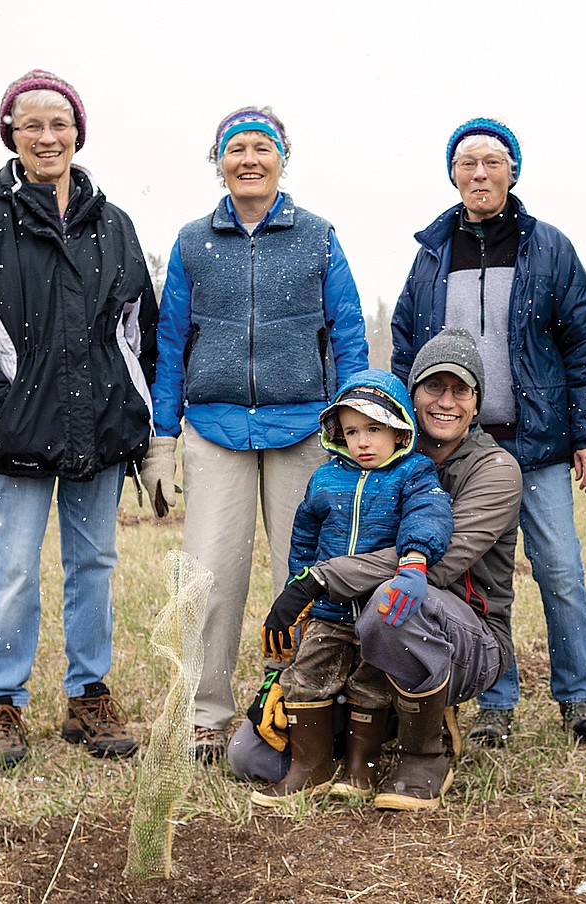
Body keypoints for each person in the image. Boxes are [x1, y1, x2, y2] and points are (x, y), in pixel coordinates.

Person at [0, 69, 157, 770]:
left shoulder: (114, 224)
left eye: (60, 123)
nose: (47, 136)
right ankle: (1, 704)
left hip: (100, 435)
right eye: (32, 124)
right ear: (11, 135)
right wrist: (5, 409)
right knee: (15, 572)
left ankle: (88, 698)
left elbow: (137, 327)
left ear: (78, 132)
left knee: (93, 566)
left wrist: (130, 411)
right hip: (19, 439)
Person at [140, 107, 368, 762]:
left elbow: (348, 336)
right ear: (218, 161)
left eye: (260, 148)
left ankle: (298, 702)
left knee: (300, 577)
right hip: (214, 428)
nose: (248, 159)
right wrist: (163, 439)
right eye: (235, 148)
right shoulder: (192, 243)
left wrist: (351, 421)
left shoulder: (318, 237)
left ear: (281, 159)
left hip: (304, 427)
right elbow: (171, 344)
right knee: (210, 577)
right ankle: (207, 713)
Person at [232, 327, 524, 810]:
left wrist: (323, 580)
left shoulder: (495, 469)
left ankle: (423, 753)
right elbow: (312, 537)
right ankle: (351, 742)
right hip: (348, 623)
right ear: (412, 398)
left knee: (395, 600)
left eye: (460, 390)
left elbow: (439, 562)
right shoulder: (373, 461)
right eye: (434, 386)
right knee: (253, 757)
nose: (445, 401)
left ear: (477, 403)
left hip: (465, 636)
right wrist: (285, 656)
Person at [391, 118, 586, 748]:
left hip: (537, 443)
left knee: (559, 569)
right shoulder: (433, 252)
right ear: (453, 174)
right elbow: (409, 340)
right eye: (466, 164)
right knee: (480, 575)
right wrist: (416, 427)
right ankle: (496, 701)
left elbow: (585, 343)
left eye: (492, 162)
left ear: (514, 171)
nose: (479, 174)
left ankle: (578, 695)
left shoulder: (548, 248)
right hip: (458, 451)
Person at [250, 369, 453, 806]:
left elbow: (429, 515)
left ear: (400, 430)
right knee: (306, 677)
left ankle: (362, 769)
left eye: (374, 429)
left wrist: (415, 558)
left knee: (371, 684)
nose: (362, 442)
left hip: (381, 613)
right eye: (352, 431)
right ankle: (311, 768)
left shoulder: (414, 473)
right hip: (327, 610)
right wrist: (297, 595)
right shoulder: (326, 479)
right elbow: (303, 542)